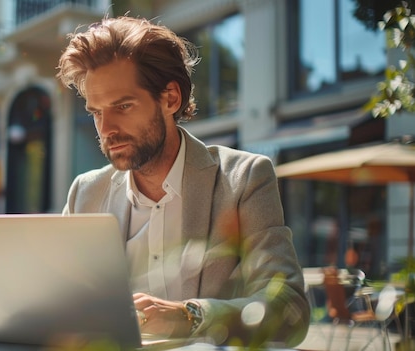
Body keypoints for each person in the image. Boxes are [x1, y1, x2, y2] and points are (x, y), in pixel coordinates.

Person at [56, 16, 310, 347]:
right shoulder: (85, 193)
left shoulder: (243, 180)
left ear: (171, 98)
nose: (106, 129)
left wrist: (190, 316)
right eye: (96, 112)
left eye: (123, 106)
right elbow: (58, 302)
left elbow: (289, 311)